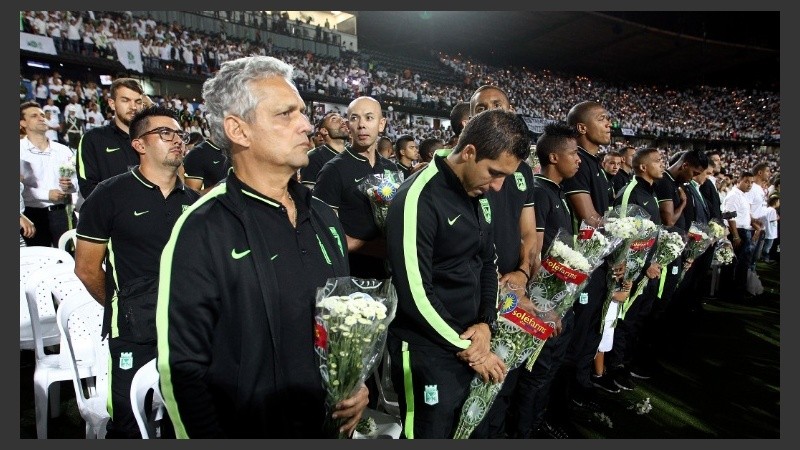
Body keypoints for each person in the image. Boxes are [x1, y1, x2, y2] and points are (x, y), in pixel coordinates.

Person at [156, 55, 367, 438]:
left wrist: (355, 381)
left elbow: (338, 320)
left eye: (302, 112)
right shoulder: (201, 229)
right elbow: (182, 370)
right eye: (286, 114)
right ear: (238, 130)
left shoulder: (323, 217)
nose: (306, 125)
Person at [385, 108, 530, 439]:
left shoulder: (477, 193)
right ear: (469, 152)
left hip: (472, 341)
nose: (497, 186)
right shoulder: (416, 198)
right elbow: (414, 294)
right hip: (429, 350)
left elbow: (487, 262)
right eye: (494, 173)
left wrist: (486, 325)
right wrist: (469, 348)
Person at [74, 105, 199, 438]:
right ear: (139, 144)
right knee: (130, 416)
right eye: (165, 133)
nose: (177, 140)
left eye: (181, 134)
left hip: (188, 325)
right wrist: (120, 305)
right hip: (134, 328)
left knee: (185, 413)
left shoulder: (197, 201)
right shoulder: (109, 194)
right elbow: (86, 268)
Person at [506, 121, 582, 438]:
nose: (578, 159)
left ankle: (537, 423)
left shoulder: (557, 193)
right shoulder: (538, 192)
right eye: (573, 153)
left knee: (548, 371)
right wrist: (541, 303)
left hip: (559, 299)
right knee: (535, 373)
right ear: (553, 157)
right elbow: (534, 251)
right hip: (542, 303)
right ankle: (522, 431)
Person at [554, 100, 614, 417]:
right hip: (582, 267)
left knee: (591, 331)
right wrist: (626, 232)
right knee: (576, 338)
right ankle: (562, 403)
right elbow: (589, 219)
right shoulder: (578, 166)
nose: (609, 125)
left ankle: (580, 389)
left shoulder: (596, 166)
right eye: (603, 119)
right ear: (582, 127)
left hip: (600, 263)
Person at [313, 96, 400, 280]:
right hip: (352, 275)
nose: (361, 125)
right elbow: (324, 234)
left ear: (381, 124)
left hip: (391, 272)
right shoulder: (333, 170)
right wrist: (373, 248)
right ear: (347, 125)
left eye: (369, 118)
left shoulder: (391, 168)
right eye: (354, 118)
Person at [19, 101, 78, 247]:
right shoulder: (19, 151)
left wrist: (70, 186)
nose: (41, 118)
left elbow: (74, 180)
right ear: (22, 123)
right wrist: (46, 194)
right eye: (34, 116)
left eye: (42, 115)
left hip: (63, 213)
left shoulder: (63, 150)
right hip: (33, 215)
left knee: (70, 258)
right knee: (40, 262)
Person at [77, 77, 144, 199]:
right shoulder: (93, 139)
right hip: (113, 216)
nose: (133, 106)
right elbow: (88, 187)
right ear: (112, 104)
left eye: (138, 102)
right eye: (126, 100)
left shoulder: (151, 139)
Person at [720, 171, 758, 302]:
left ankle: (735, 291)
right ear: (738, 181)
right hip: (738, 232)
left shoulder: (742, 195)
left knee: (741, 263)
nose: (750, 185)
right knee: (735, 264)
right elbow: (729, 216)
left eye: (752, 182)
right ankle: (733, 293)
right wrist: (736, 236)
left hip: (743, 231)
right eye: (746, 181)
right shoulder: (734, 196)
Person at [299, 111, 350, 187]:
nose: (342, 121)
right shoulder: (314, 157)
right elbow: (308, 194)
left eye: (342, 119)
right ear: (324, 131)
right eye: (334, 119)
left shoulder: (353, 154)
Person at [759, 196, 779, 262]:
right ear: (775, 202)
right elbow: (772, 219)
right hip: (771, 231)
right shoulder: (773, 210)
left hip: (766, 229)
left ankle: (763, 257)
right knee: (768, 246)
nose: (779, 203)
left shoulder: (767, 209)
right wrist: (778, 218)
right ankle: (765, 258)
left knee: (766, 244)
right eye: (778, 202)